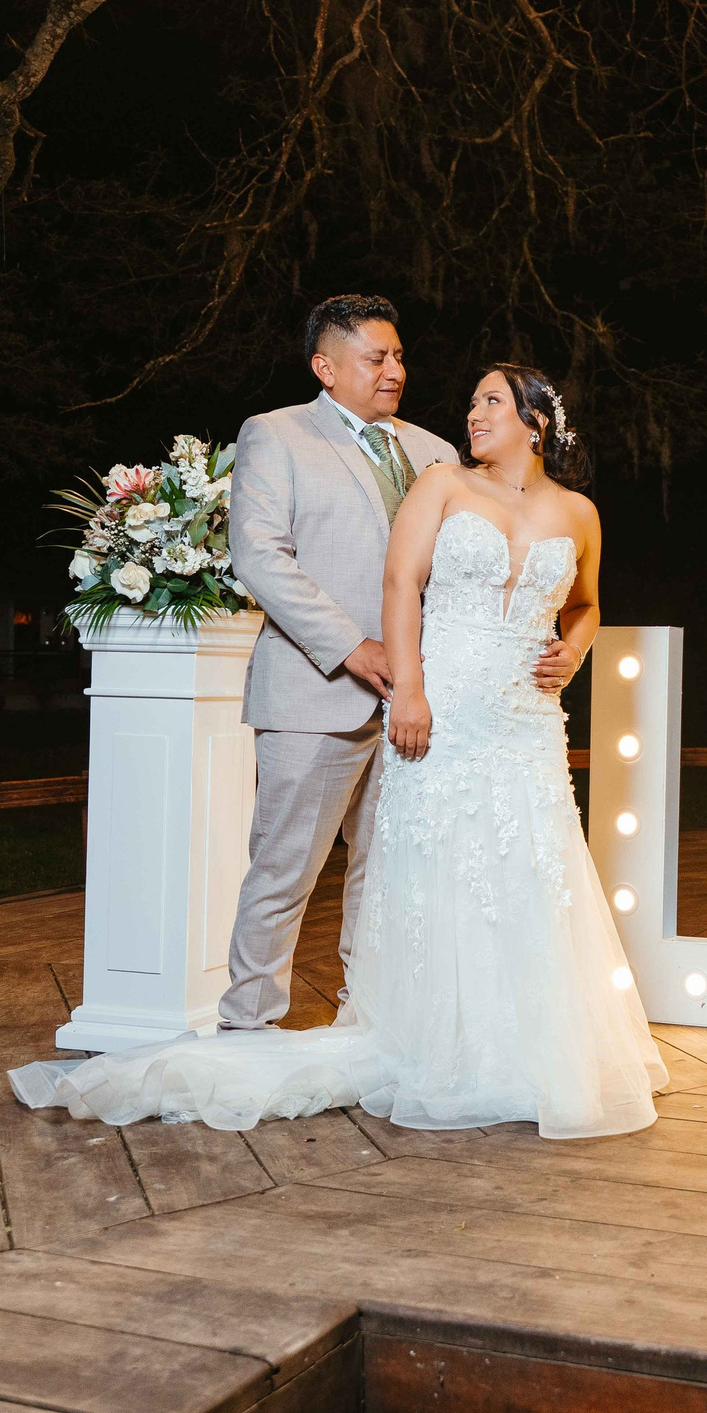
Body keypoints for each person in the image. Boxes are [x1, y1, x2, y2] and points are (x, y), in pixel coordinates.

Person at [12, 364, 666, 1139]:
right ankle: (413, 1037)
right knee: (431, 869)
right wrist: (410, 690)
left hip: (526, 724)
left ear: (537, 422)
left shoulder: (580, 513)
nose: (472, 412)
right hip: (443, 709)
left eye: (491, 400)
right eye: (471, 400)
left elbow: (586, 604)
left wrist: (576, 649)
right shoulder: (442, 483)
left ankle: (518, 1052)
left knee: (528, 872)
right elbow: (399, 583)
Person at [224, 293, 456, 1029]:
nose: (395, 371)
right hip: (313, 692)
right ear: (325, 367)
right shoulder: (276, 434)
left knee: (386, 876)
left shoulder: (436, 453)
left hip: (414, 702)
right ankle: (247, 1029)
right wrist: (352, 646)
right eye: (376, 357)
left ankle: (366, 1025)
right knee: (283, 872)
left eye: (399, 356)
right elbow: (260, 556)